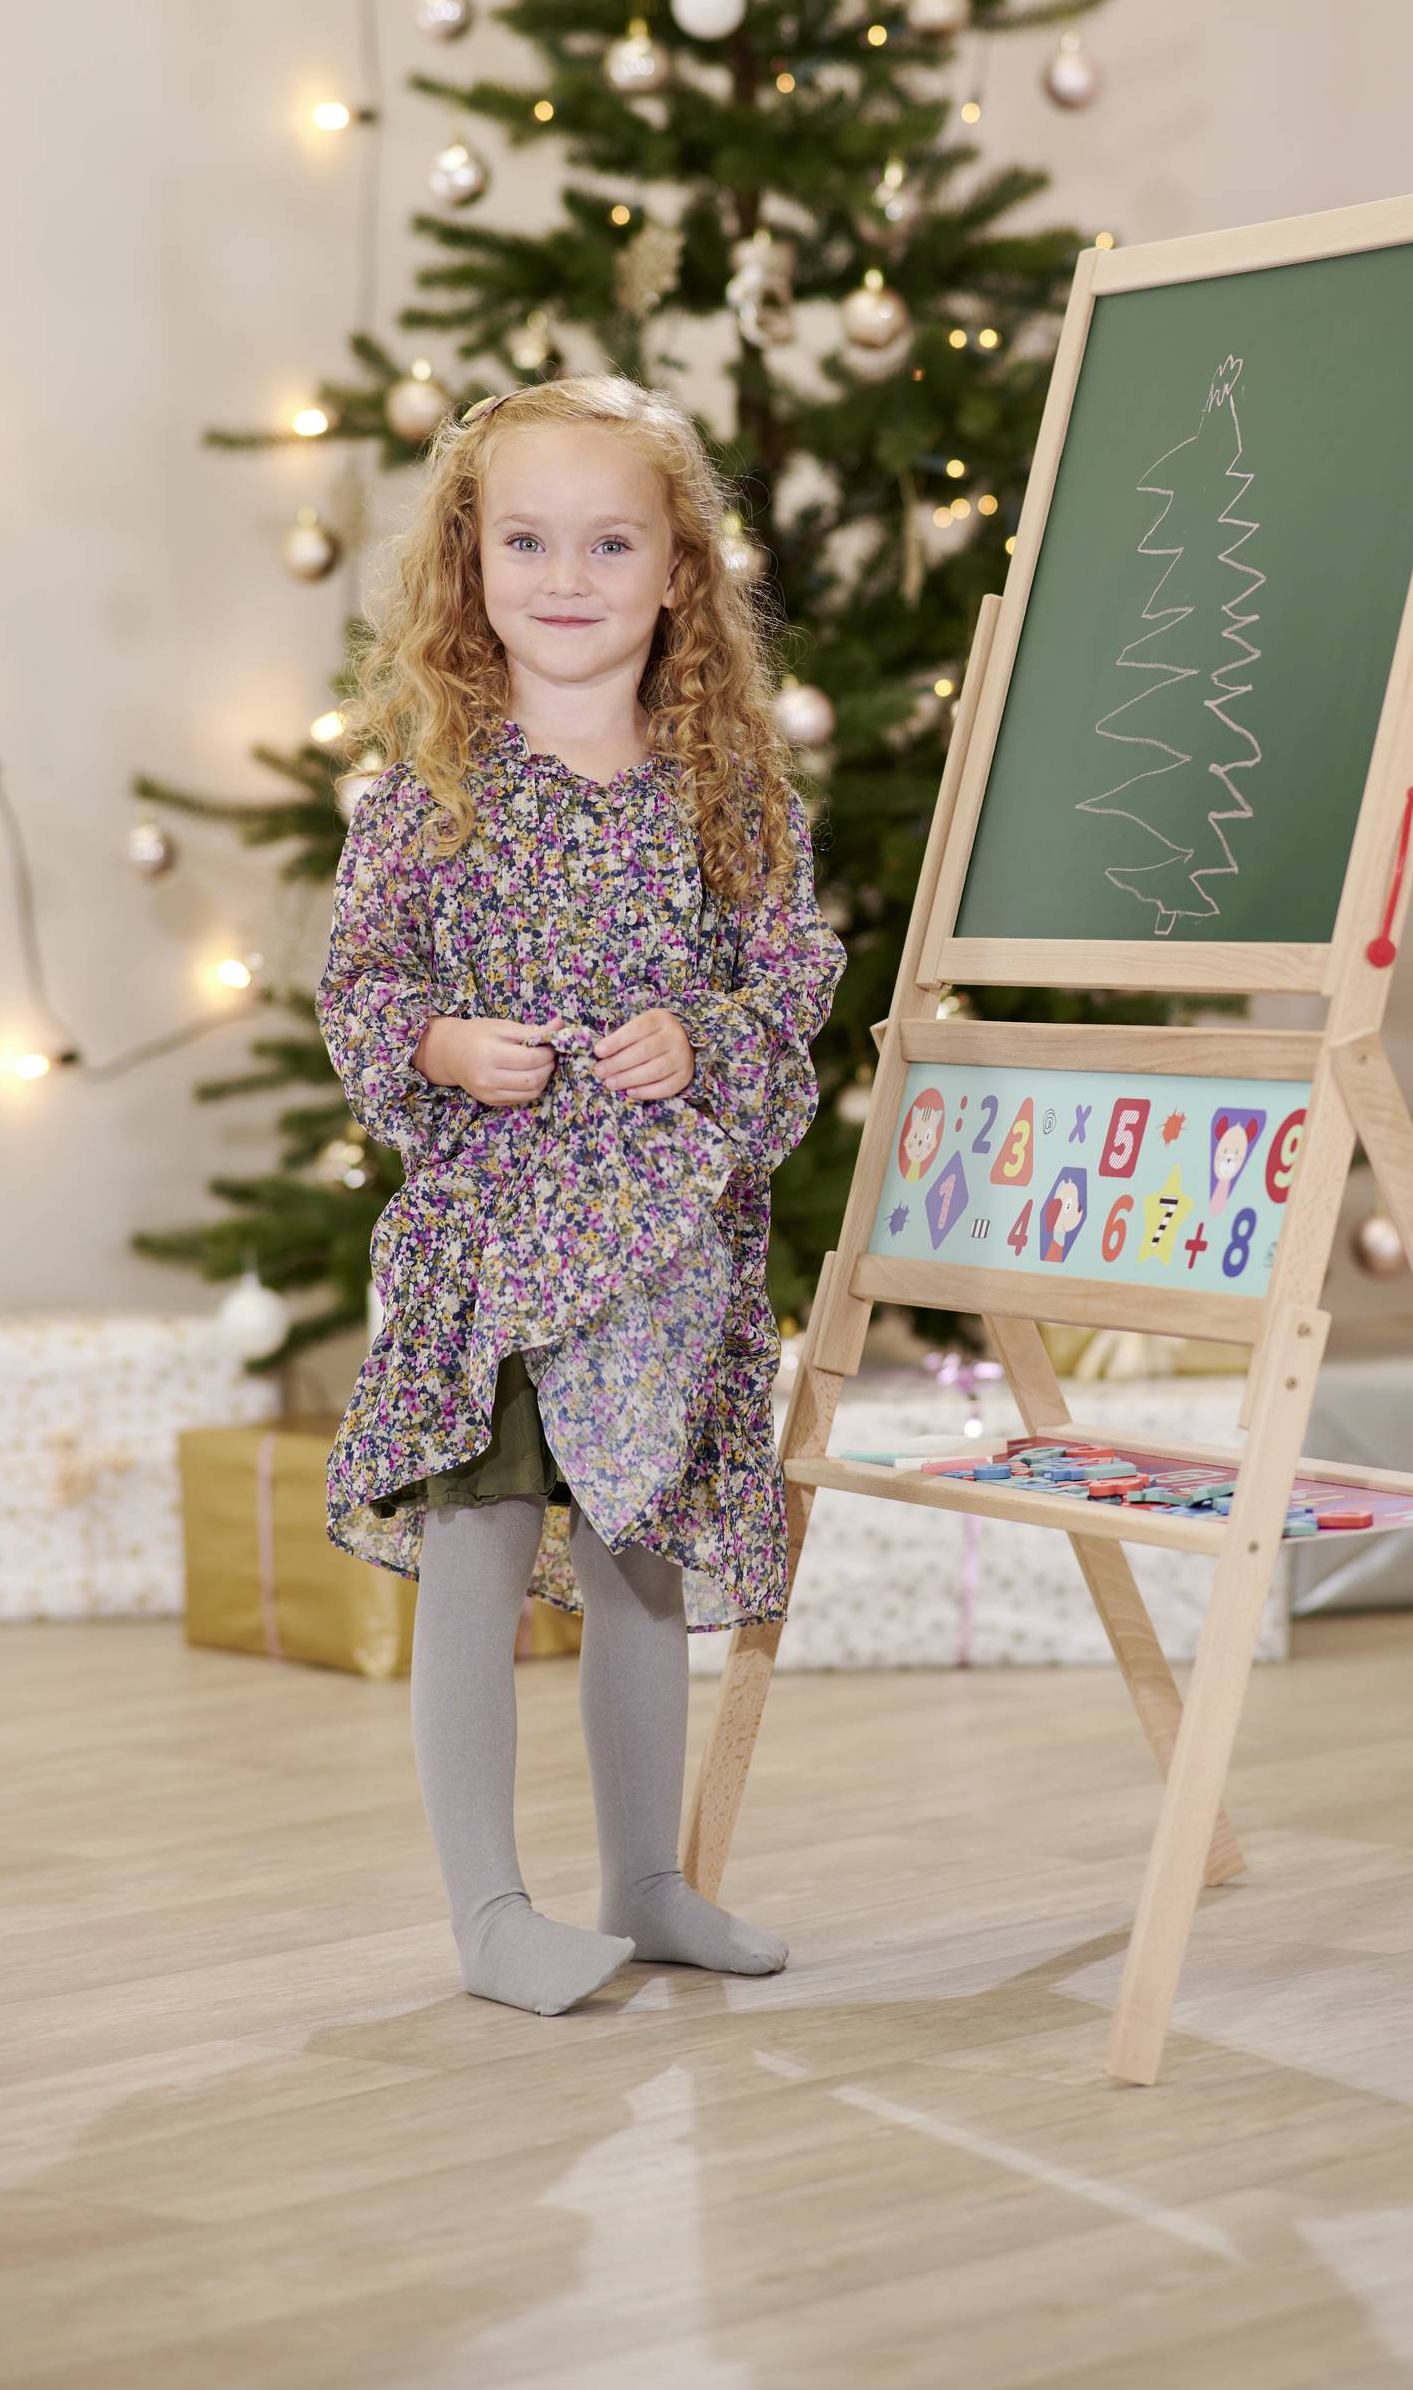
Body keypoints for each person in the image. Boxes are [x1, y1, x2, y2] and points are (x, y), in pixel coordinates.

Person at [315, 373, 844, 2018]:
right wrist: (443, 1045)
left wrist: (703, 1040)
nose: (567, 576)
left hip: (663, 1256)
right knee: (478, 1551)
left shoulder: (732, 798)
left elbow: (788, 990)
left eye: (611, 543)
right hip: (491, 1253)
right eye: (527, 542)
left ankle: (648, 1884)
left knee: (641, 1564)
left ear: (678, 572)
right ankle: (489, 1912)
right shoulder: (428, 796)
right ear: (470, 568)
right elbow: (360, 989)